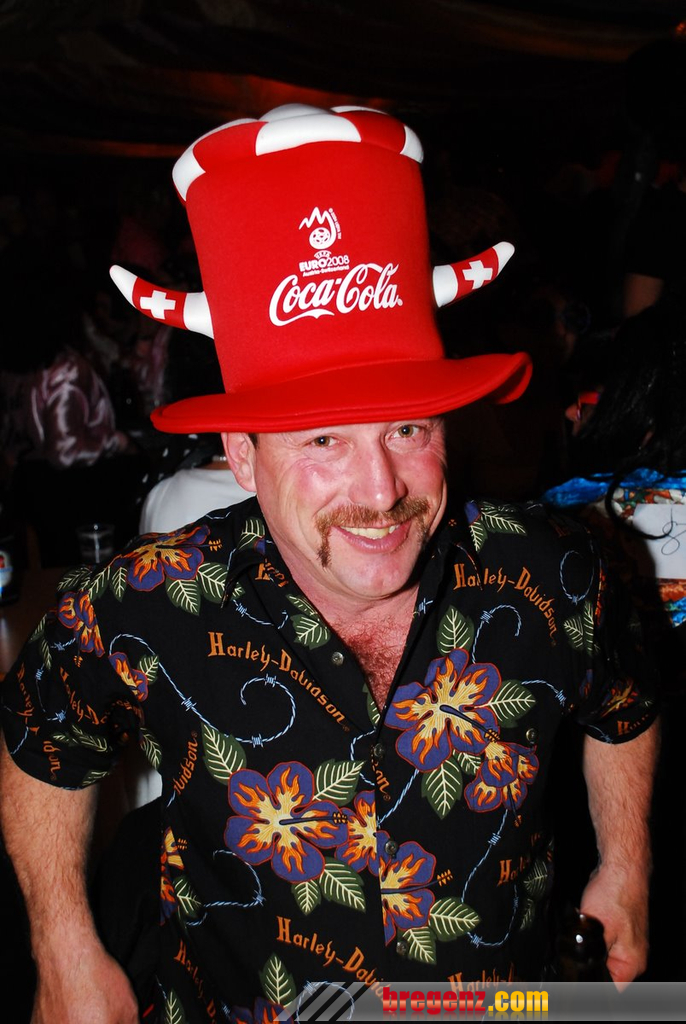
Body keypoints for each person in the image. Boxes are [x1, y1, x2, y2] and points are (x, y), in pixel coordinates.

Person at [0, 104, 657, 1024]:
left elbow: (624, 704)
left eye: (408, 428)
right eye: (321, 440)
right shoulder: (141, 604)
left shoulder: (557, 570)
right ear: (240, 454)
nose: (380, 491)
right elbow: (43, 742)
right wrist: (63, 945)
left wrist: (627, 864)